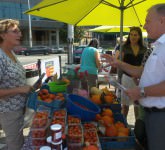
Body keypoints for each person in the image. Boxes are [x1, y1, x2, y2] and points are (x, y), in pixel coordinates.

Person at [103, 3, 165, 150]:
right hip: (151, 114)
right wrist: (118, 63)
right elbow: (140, 71)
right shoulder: (158, 46)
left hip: (160, 115)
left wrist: (142, 91)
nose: (144, 26)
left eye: (148, 21)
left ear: (162, 21)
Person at [0, 19, 32, 150]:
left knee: (20, 141)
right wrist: (20, 89)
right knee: (15, 145)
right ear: (2, 35)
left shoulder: (11, 53)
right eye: (15, 31)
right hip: (9, 112)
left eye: (19, 31)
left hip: (20, 108)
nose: (20, 34)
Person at [120, 27, 147, 121]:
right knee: (125, 105)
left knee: (137, 105)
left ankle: (137, 127)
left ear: (139, 36)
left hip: (139, 79)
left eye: (135, 35)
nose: (133, 37)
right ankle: (124, 125)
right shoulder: (124, 47)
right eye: (131, 34)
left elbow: (146, 65)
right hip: (126, 78)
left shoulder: (144, 49)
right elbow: (120, 63)